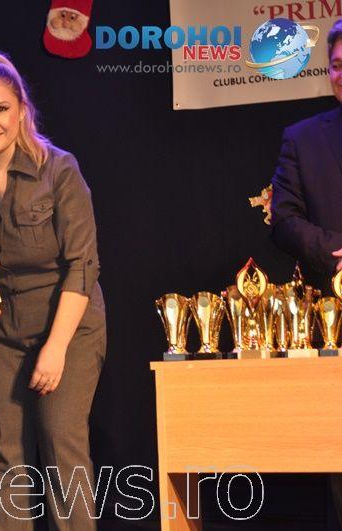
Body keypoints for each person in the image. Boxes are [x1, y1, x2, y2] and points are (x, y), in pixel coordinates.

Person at [0, 51, 106, 531]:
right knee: (5, 453)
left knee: (60, 443)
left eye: (0, 108)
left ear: (21, 110)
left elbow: (83, 265)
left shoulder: (59, 169)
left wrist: (55, 348)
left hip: (67, 327)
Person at [270, 18, 342, 527]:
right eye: (336, 66)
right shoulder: (303, 138)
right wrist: (337, 250)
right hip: (336, 315)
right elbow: (284, 220)